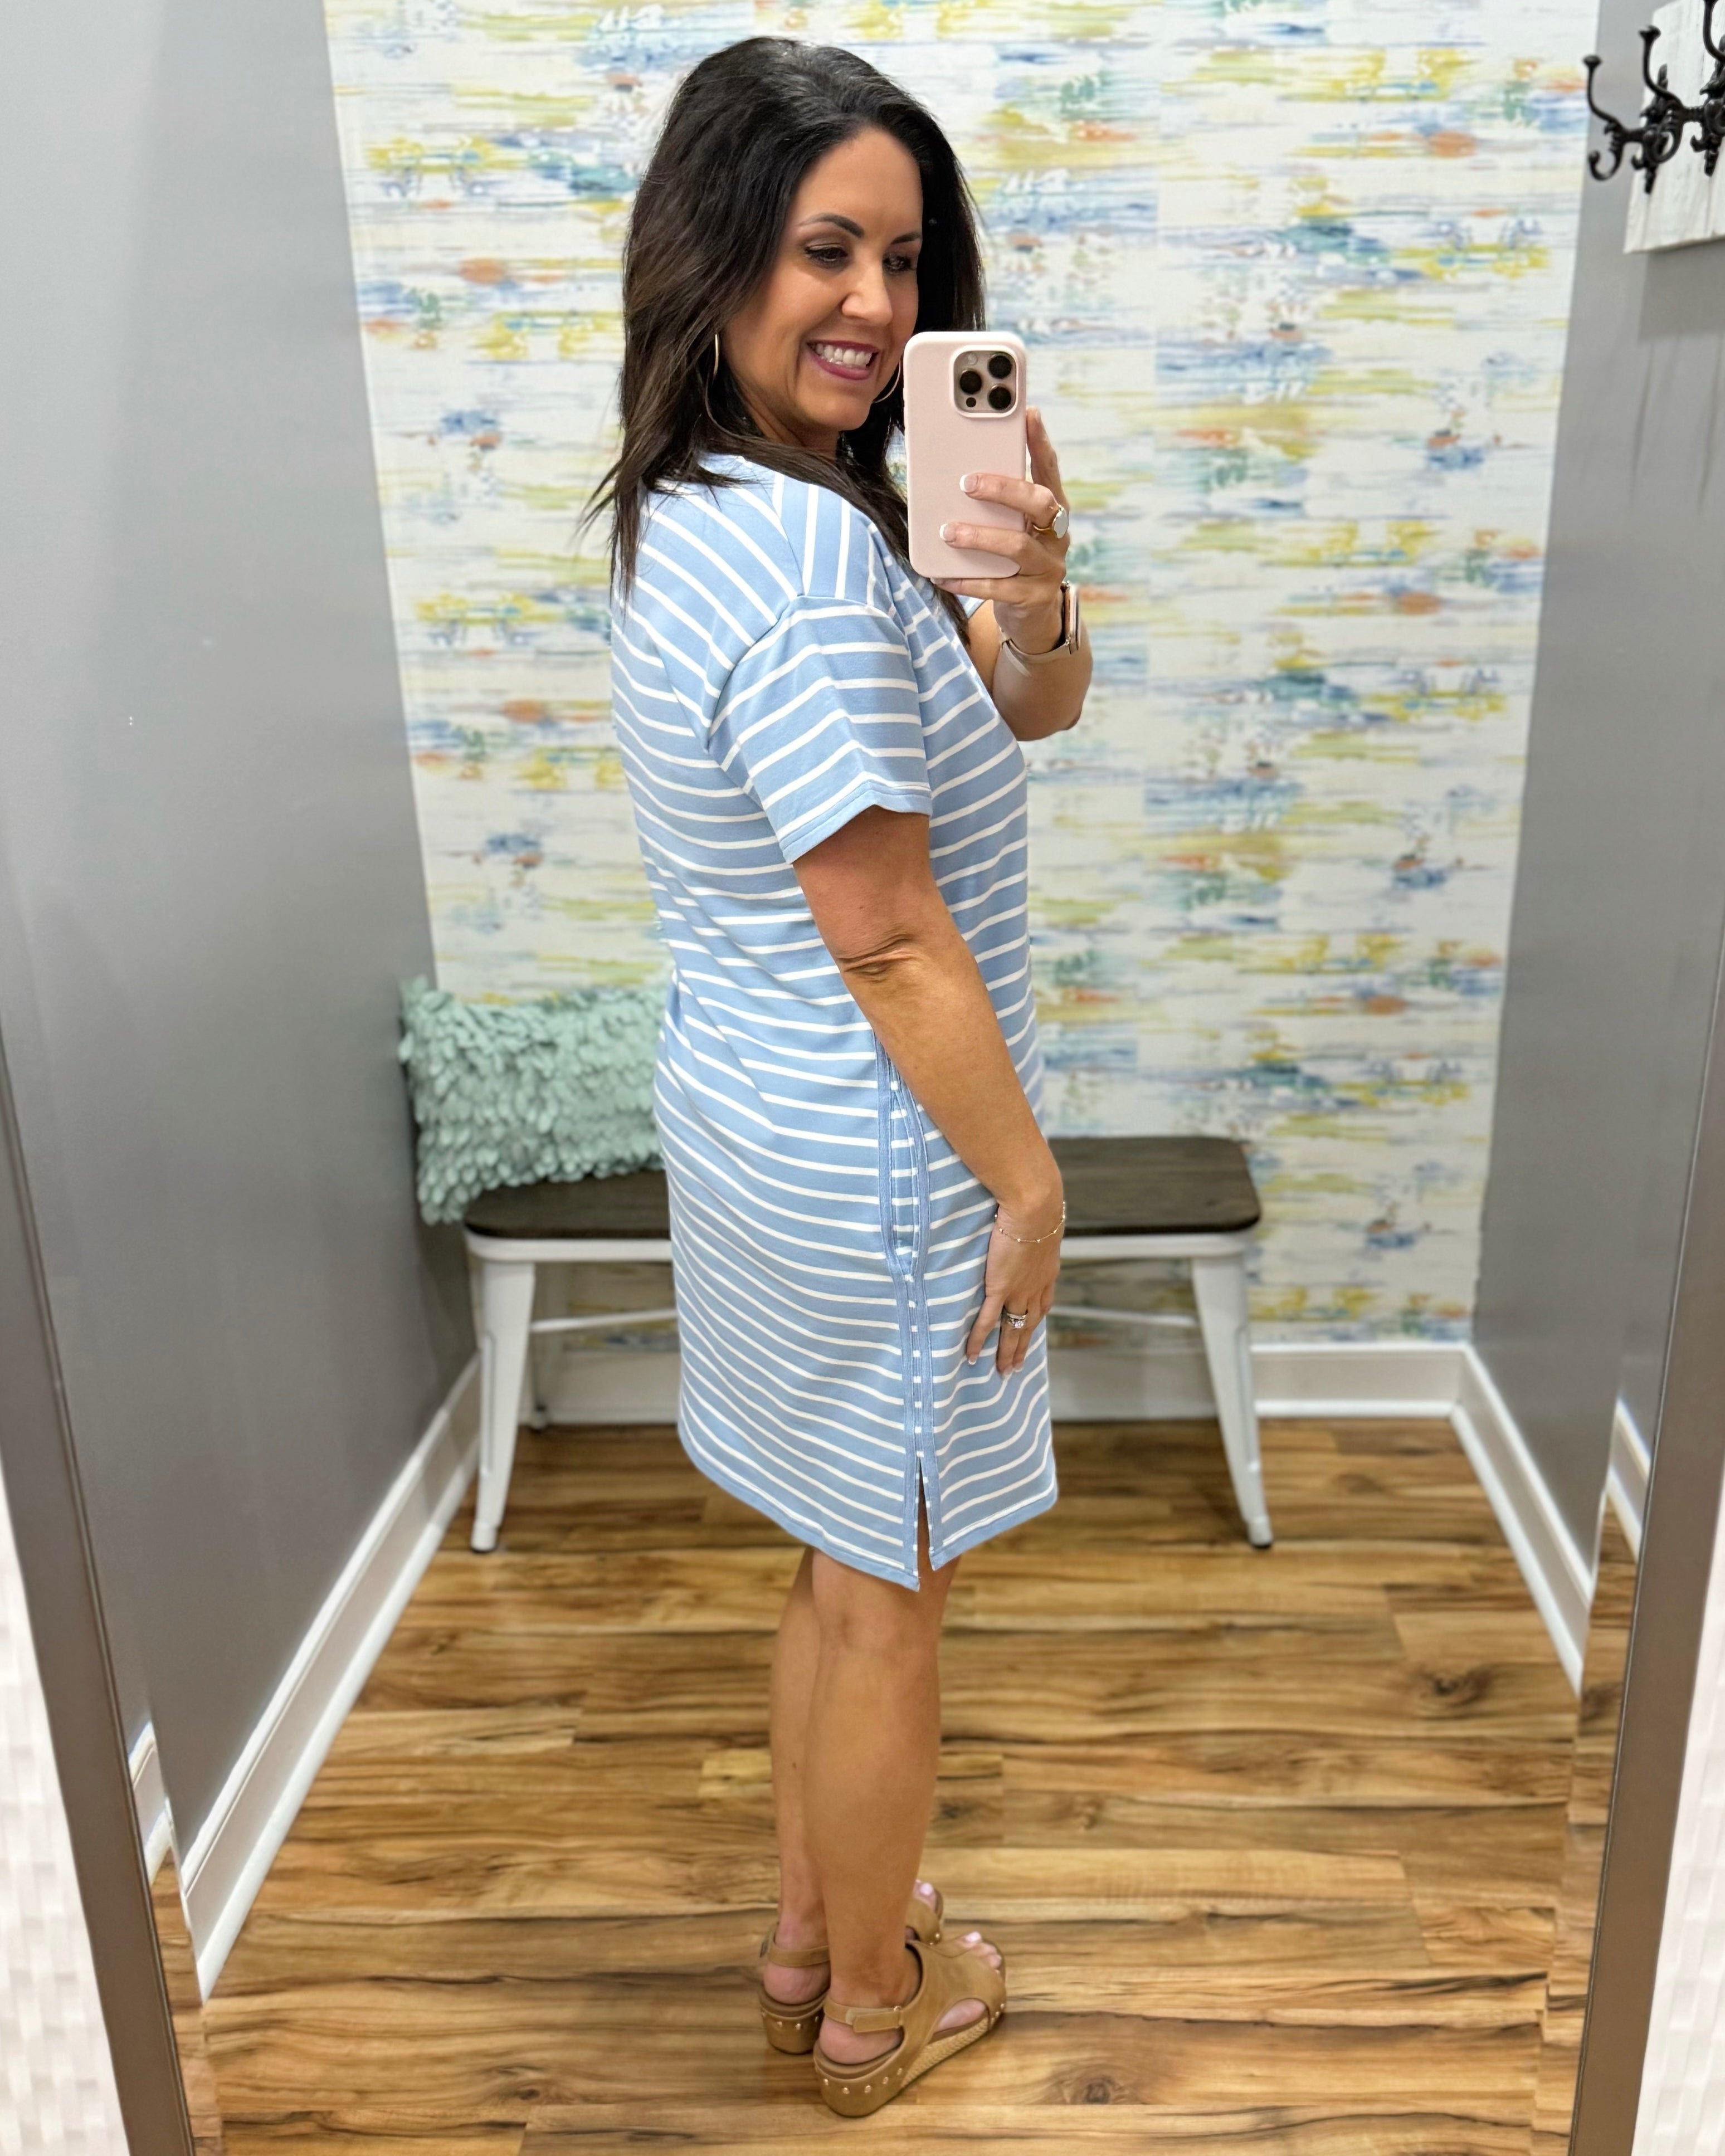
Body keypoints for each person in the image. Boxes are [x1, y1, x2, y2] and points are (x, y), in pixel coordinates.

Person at [595, 35, 1090, 2116]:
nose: (876, 304)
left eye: (902, 255)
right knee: (890, 1601)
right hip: (881, 1153)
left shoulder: (730, 512)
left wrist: (1034, 586)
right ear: (715, 258)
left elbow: (1036, 713)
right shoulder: (806, 570)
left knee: (834, 1559)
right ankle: (885, 2010)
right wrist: (1032, 1183)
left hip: (763, 1124)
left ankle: (812, 1944)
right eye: (823, 250)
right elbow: (887, 932)